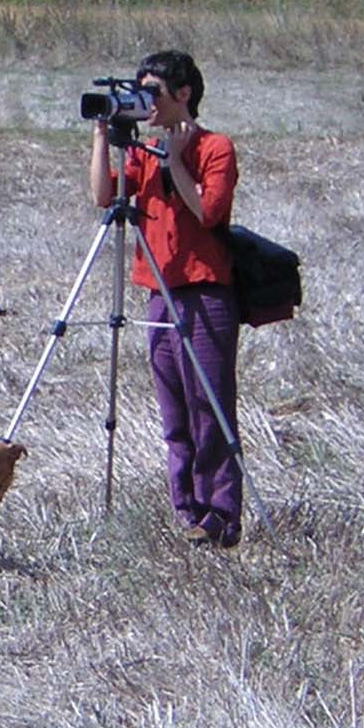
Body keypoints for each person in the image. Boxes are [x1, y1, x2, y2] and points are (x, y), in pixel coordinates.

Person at [87, 50, 242, 548]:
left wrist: (174, 161)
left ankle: (220, 514)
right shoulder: (139, 152)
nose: (144, 102)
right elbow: (104, 197)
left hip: (205, 293)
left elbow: (209, 214)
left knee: (208, 406)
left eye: (153, 91)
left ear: (184, 94)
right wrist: (101, 137)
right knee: (175, 413)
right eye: (139, 92)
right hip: (159, 291)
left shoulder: (215, 148)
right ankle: (186, 508)